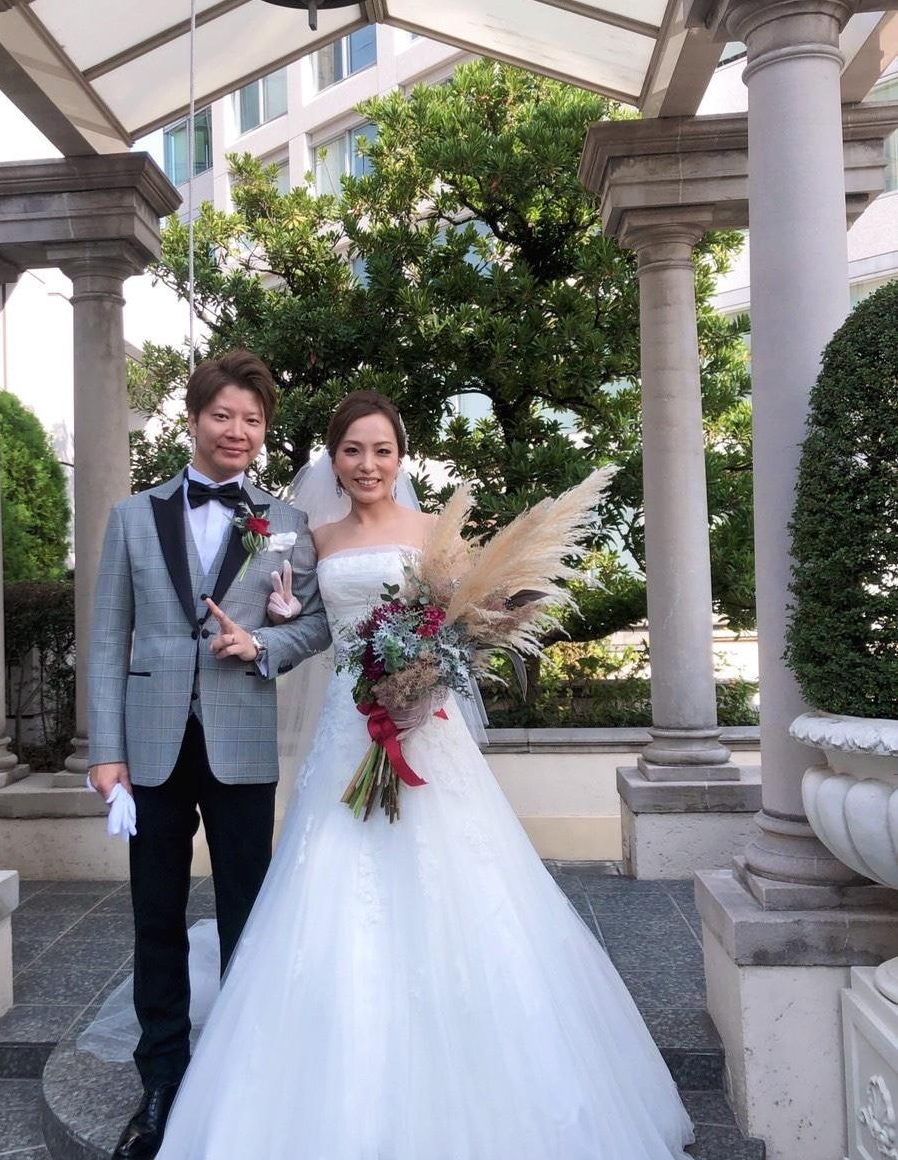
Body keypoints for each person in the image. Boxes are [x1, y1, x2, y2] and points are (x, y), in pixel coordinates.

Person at [152, 389, 696, 1159]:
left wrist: (431, 673)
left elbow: (472, 617)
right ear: (332, 459)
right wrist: (272, 630)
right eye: (352, 450)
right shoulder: (314, 536)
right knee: (327, 880)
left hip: (428, 731)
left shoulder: (436, 532)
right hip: (348, 727)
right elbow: (313, 626)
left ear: (400, 458)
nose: (367, 464)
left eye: (381, 450)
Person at [87, 350, 330, 1159]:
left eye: (252, 420)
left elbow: (314, 624)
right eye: (223, 415)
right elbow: (107, 637)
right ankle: (161, 1081)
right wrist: (105, 749)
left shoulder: (285, 522)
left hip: (240, 740)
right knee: (154, 914)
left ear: (264, 432)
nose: (237, 431)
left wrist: (261, 645)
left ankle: (245, 1070)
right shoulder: (133, 516)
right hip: (150, 746)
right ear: (193, 419)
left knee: (245, 912)